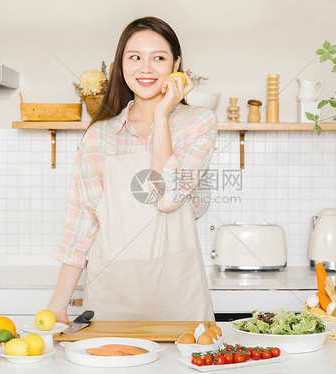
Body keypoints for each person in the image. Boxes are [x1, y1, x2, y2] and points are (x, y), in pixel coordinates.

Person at [48, 16, 217, 321]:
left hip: (178, 292)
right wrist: (57, 303)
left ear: (176, 65)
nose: (146, 68)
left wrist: (163, 115)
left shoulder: (198, 123)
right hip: (112, 295)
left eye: (159, 58)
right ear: (120, 64)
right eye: (135, 57)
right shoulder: (99, 135)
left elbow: (166, 199)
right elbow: (82, 223)